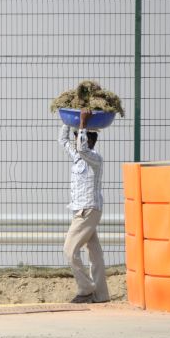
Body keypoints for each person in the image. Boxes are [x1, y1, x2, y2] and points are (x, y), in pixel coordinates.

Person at [58, 108, 110, 304]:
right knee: (95, 253)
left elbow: (81, 148)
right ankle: (101, 295)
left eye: (81, 136)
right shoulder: (78, 158)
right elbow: (63, 141)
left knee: (69, 251)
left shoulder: (95, 159)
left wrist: (82, 123)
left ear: (91, 140)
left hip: (87, 210)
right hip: (83, 209)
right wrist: (68, 119)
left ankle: (86, 289)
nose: (77, 140)